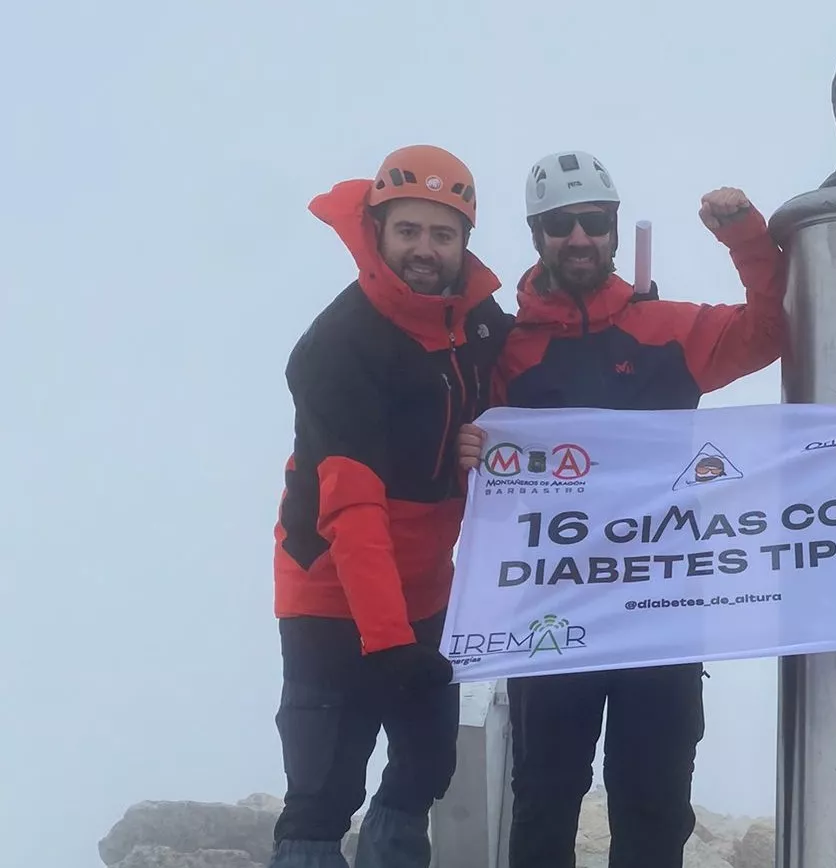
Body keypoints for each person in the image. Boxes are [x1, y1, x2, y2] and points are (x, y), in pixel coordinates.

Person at [455, 149, 788, 868]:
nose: (579, 238)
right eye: (560, 224)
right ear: (537, 232)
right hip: (551, 615)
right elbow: (458, 441)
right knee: (544, 800)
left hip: (661, 612)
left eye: (594, 222)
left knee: (653, 806)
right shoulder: (508, 351)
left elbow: (769, 330)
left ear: (612, 227)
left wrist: (746, 239)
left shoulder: (665, 326)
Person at [269, 144, 511, 868]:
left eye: (443, 234)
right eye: (408, 231)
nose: (424, 251)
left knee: (426, 762)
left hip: (427, 584)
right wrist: (388, 642)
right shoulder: (339, 345)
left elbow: (510, 412)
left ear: (465, 241)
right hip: (331, 589)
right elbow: (352, 509)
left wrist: (485, 438)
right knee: (324, 784)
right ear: (377, 231)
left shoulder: (479, 323)